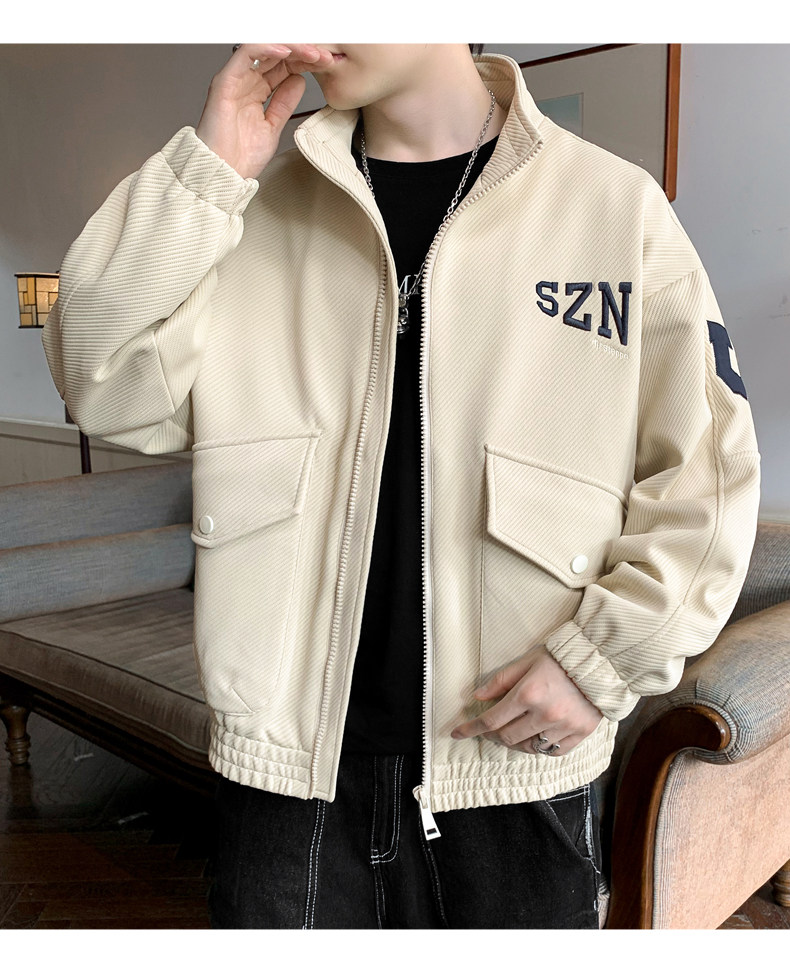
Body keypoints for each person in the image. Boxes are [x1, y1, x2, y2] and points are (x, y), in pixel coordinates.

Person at [41, 43, 761, 929]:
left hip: (513, 765)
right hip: (287, 768)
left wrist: (603, 660)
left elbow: (707, 471)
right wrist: (208, 169)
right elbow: (104, 386)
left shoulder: (613, 207)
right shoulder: (249, 209)